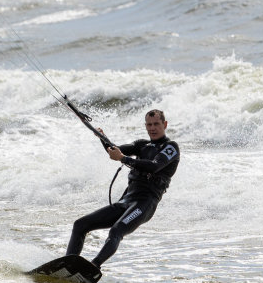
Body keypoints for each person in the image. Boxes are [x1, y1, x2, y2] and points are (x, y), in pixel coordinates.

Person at [66, 109, 179, 269]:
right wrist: (101, 137)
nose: (152, 128)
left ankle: (94, 266)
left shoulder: (171, 147)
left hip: (144, 204)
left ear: (165, 125)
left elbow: (154, 166)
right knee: (80, 225)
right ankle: (68, 264)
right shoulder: (141, 145)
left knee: (116, 231)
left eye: (156, 124)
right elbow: (114, 150)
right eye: (149, 124)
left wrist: (124, 159)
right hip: (126, 201)